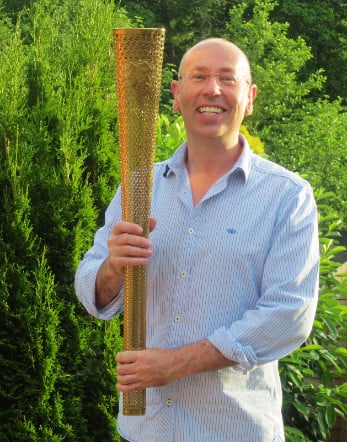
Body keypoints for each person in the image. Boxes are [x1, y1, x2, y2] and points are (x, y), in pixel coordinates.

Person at [75, 38, 320, 442]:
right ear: (175, 94)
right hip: (145, 429)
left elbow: (288, 313)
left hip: (235, 430)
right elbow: (92, 289)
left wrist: (177, 363)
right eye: (199, 77)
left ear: (250, 97)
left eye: (228, 79)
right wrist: (112, 268)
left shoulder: (286, 196)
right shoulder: (139, 185)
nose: (213, 90)